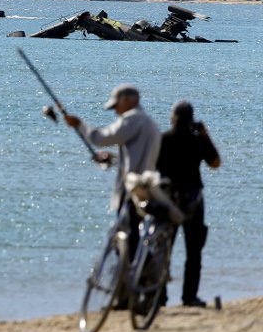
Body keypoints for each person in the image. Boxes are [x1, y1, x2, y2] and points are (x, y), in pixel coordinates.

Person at [64, 84, 161, 260]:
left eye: (116, 105)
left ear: (126, 101)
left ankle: (128, 278)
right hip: (147, 190)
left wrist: (79, 124)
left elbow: (100, 138)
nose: (115, 110)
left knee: (126, 240)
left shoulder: (132, 119)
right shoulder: (150, 123)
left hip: (131, 191)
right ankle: (141, 275)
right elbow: (139, 156)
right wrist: (114, 158)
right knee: (137, 239)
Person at [156, 101, 220, 307]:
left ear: (172, 118)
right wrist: (204, 134)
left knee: (164, 250)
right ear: (192, 121)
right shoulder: (198, 140)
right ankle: (189, 297)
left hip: (168, 201)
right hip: (193, 201)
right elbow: (215, 163)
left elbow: (152, 167)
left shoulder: (163, 139)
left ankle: (160, 297)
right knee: (194, 252)